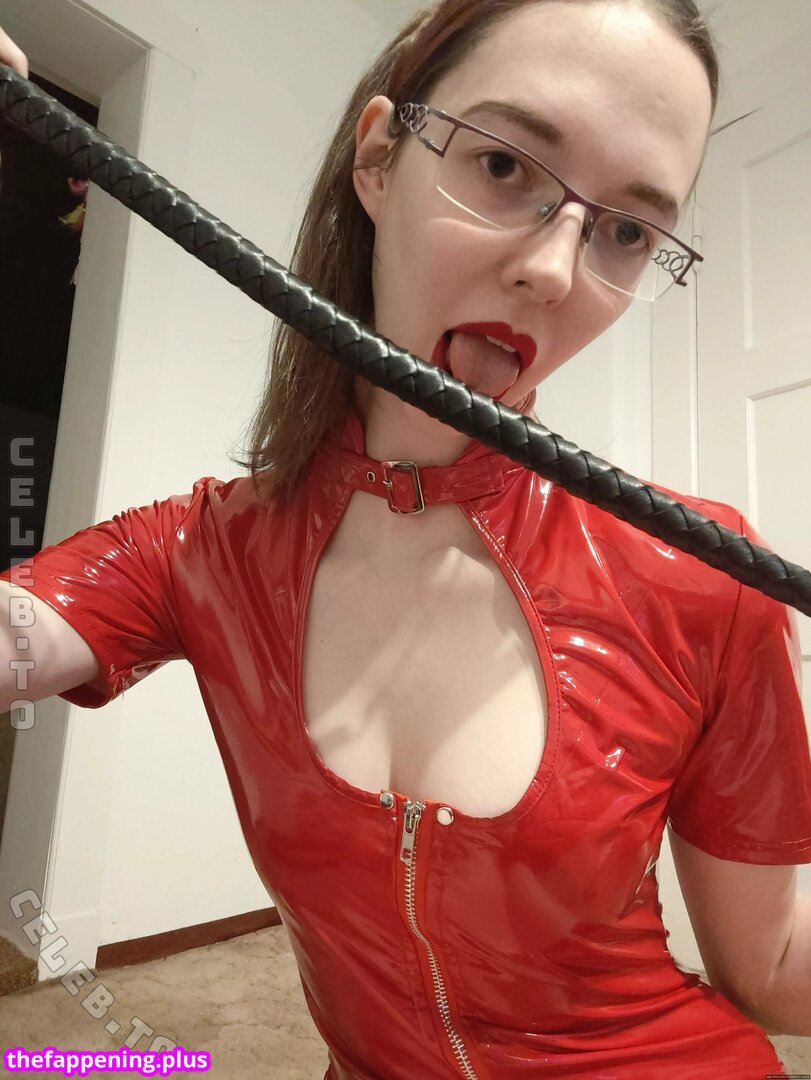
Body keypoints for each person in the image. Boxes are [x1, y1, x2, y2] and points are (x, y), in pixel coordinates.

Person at [1, 3, 810, 1077]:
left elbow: (771, 966)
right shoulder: (201, 548)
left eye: (625, 231)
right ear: (379, 158)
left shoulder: (703, 571)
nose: (554, 272)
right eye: (502, 165)